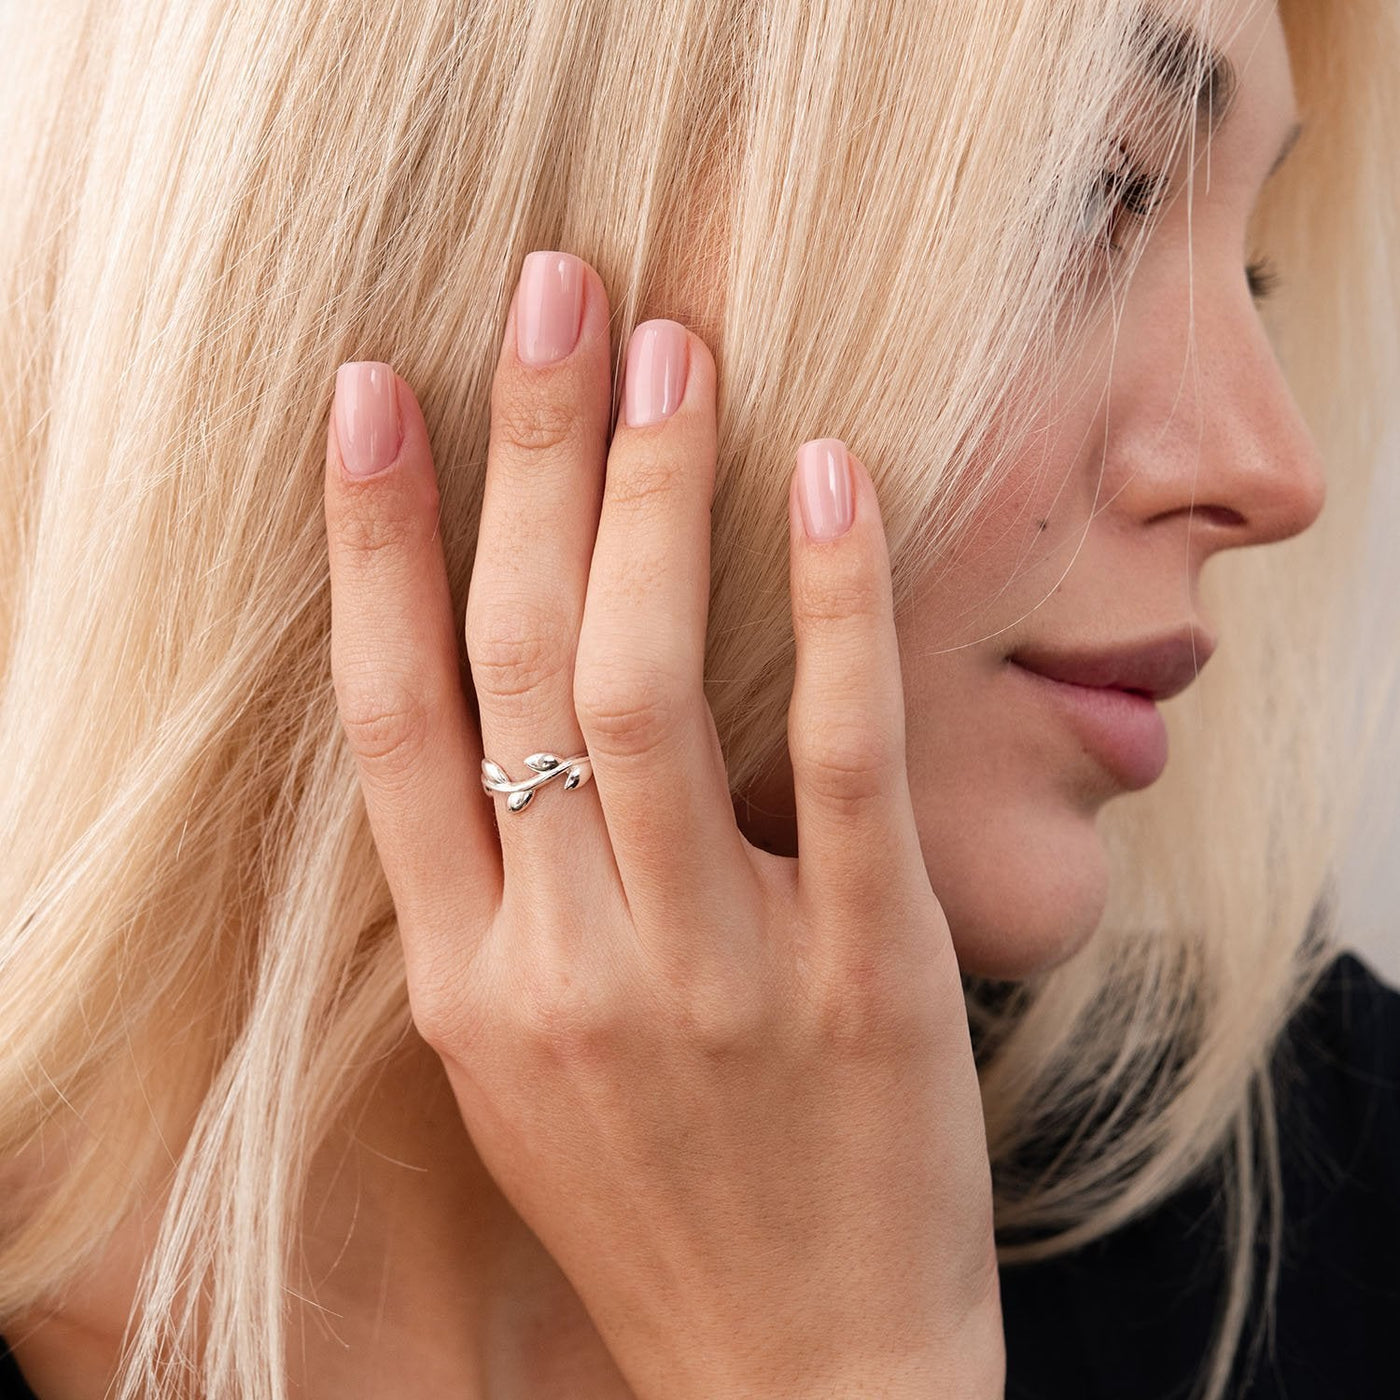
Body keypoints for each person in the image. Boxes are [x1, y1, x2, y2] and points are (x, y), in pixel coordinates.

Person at [1, 0, 1397, 1397]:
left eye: (1255, 273)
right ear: (462, 205)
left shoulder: (1335, 1205)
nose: (1276, 474)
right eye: (1093, 197)